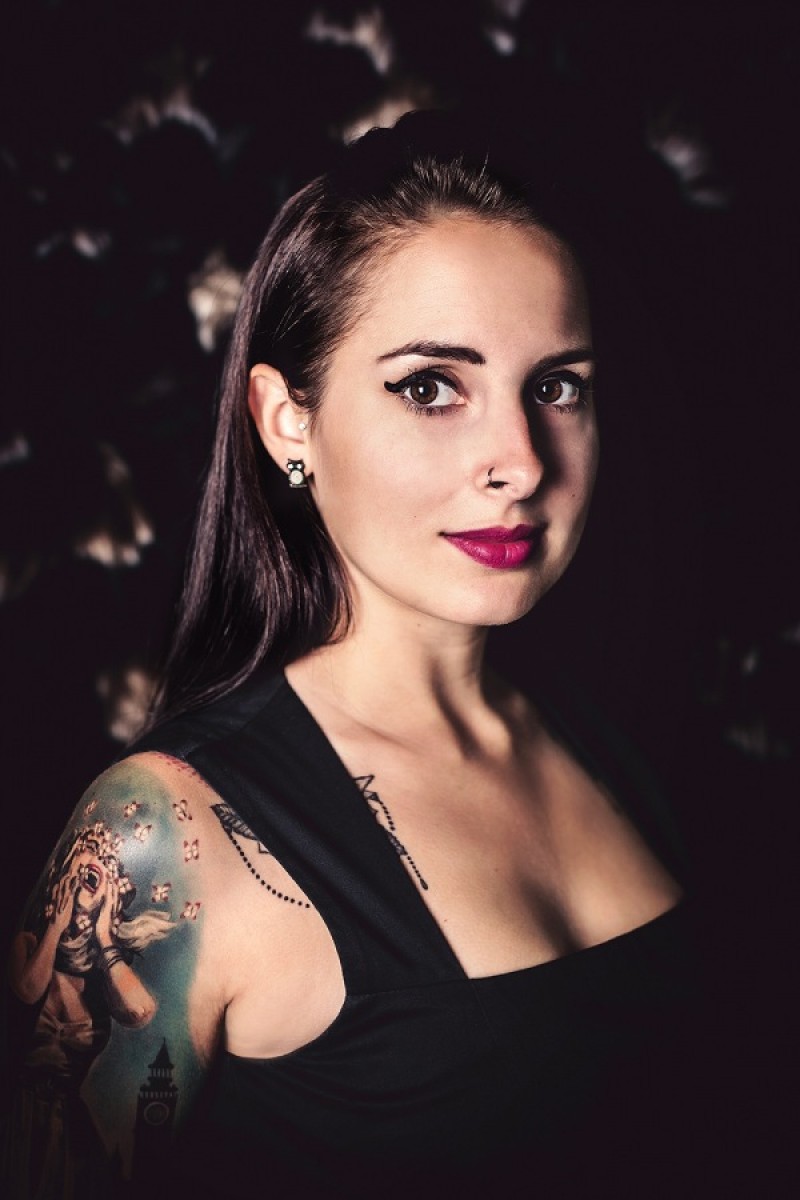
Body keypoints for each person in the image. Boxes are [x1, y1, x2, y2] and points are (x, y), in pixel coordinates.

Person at [5, 113, 697, 1198]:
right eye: (430, 386)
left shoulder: (618, 723)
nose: (519, 462)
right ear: (288, 421)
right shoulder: (164, 839)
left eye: (556, 385)